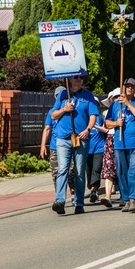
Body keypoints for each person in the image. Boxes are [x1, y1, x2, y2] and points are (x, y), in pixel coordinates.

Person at [50, 75, 99, 215]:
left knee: (79, 171)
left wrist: (88, 130)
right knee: (62, 169)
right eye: (75, 78)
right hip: (63, 138)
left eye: (81, 78)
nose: (78, 80)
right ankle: (59, 200)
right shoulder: (63, 95)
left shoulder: (88, 96)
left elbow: (93, 116)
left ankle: (79, 202)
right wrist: (64, 109)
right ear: (69, 80)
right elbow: (54, 115)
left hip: (81, 138)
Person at [105, 77, 135, 213]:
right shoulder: (115, 105)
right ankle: (125, 198)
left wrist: (128, 103)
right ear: (123, 88)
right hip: (120, 144)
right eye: (127, 86)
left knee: (134, 171)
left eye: (132, 86)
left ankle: (133, 199)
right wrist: (116, 124)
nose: (129, 88)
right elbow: (107, 123)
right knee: (122, 173)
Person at [99, 88, 120, 208]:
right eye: (115, 97)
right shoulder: (107, 113)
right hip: (110, 139)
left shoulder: (126, 110)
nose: (117, 99)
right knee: (109, 169)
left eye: (119, 97)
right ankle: (108, 196)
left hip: (121, 140)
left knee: (122, 169)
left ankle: (125, 196)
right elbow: (106, 126)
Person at [86, 98, 107, 203]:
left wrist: (95, 126)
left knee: (96, 169)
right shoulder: (84, 117)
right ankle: (92, 188)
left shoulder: (101, 117)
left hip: (99, 148)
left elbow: (107, 130)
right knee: (88, 171)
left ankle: (94, 190)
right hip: (86, 149)